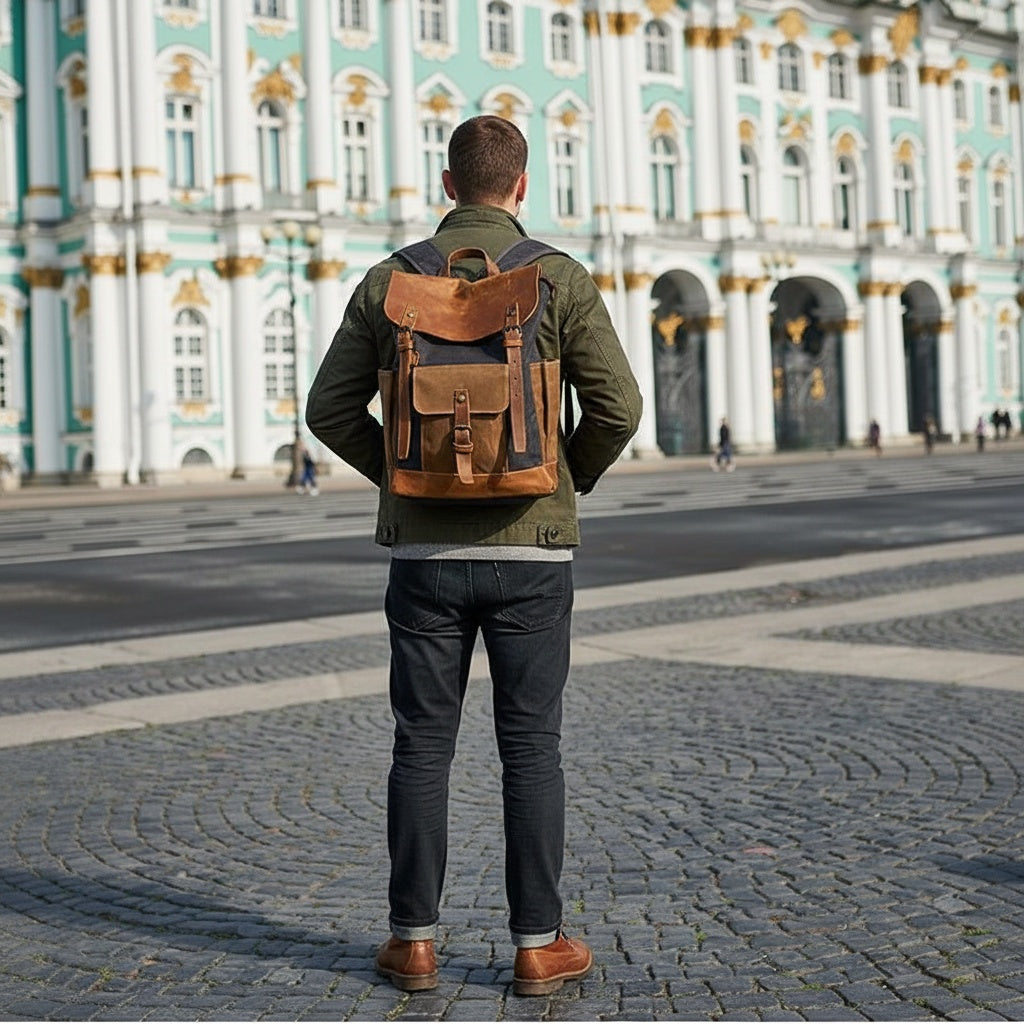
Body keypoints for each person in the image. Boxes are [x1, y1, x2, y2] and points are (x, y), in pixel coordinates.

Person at [305, 115, 642, 996]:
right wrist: (564, 478)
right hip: (534, 553)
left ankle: (412, 942)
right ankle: (538, 945)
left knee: (421, 746)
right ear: (521, 187)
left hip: (422, 560)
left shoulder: (388, 281)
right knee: (531, 748)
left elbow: (327, 411)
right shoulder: (556, 277)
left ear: (448, 187)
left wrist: (405, 477)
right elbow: (621, 408)